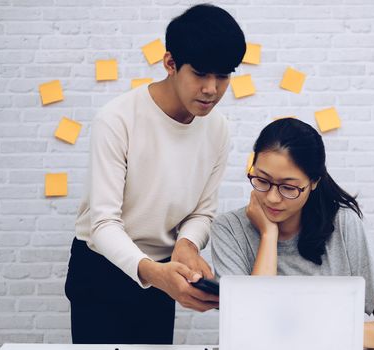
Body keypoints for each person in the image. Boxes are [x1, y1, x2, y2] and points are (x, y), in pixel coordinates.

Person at [64, 4, 246, 345]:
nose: (212, 89)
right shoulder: (116, 119)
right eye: (201, 74)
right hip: (101, 270)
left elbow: (202, 212)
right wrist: (153, 273)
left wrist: (187, 245)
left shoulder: (217, 128)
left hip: (164, 271)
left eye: (223, 76)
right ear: (170, 63)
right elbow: (103, 223)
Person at [211, 118, 374, 349]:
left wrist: (323, 334)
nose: (272, 198)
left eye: (288, 187)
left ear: (314, 182)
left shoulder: (343, 225)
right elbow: (252, 330)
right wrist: (268, 235)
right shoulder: (228, 229)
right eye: (262, 180)